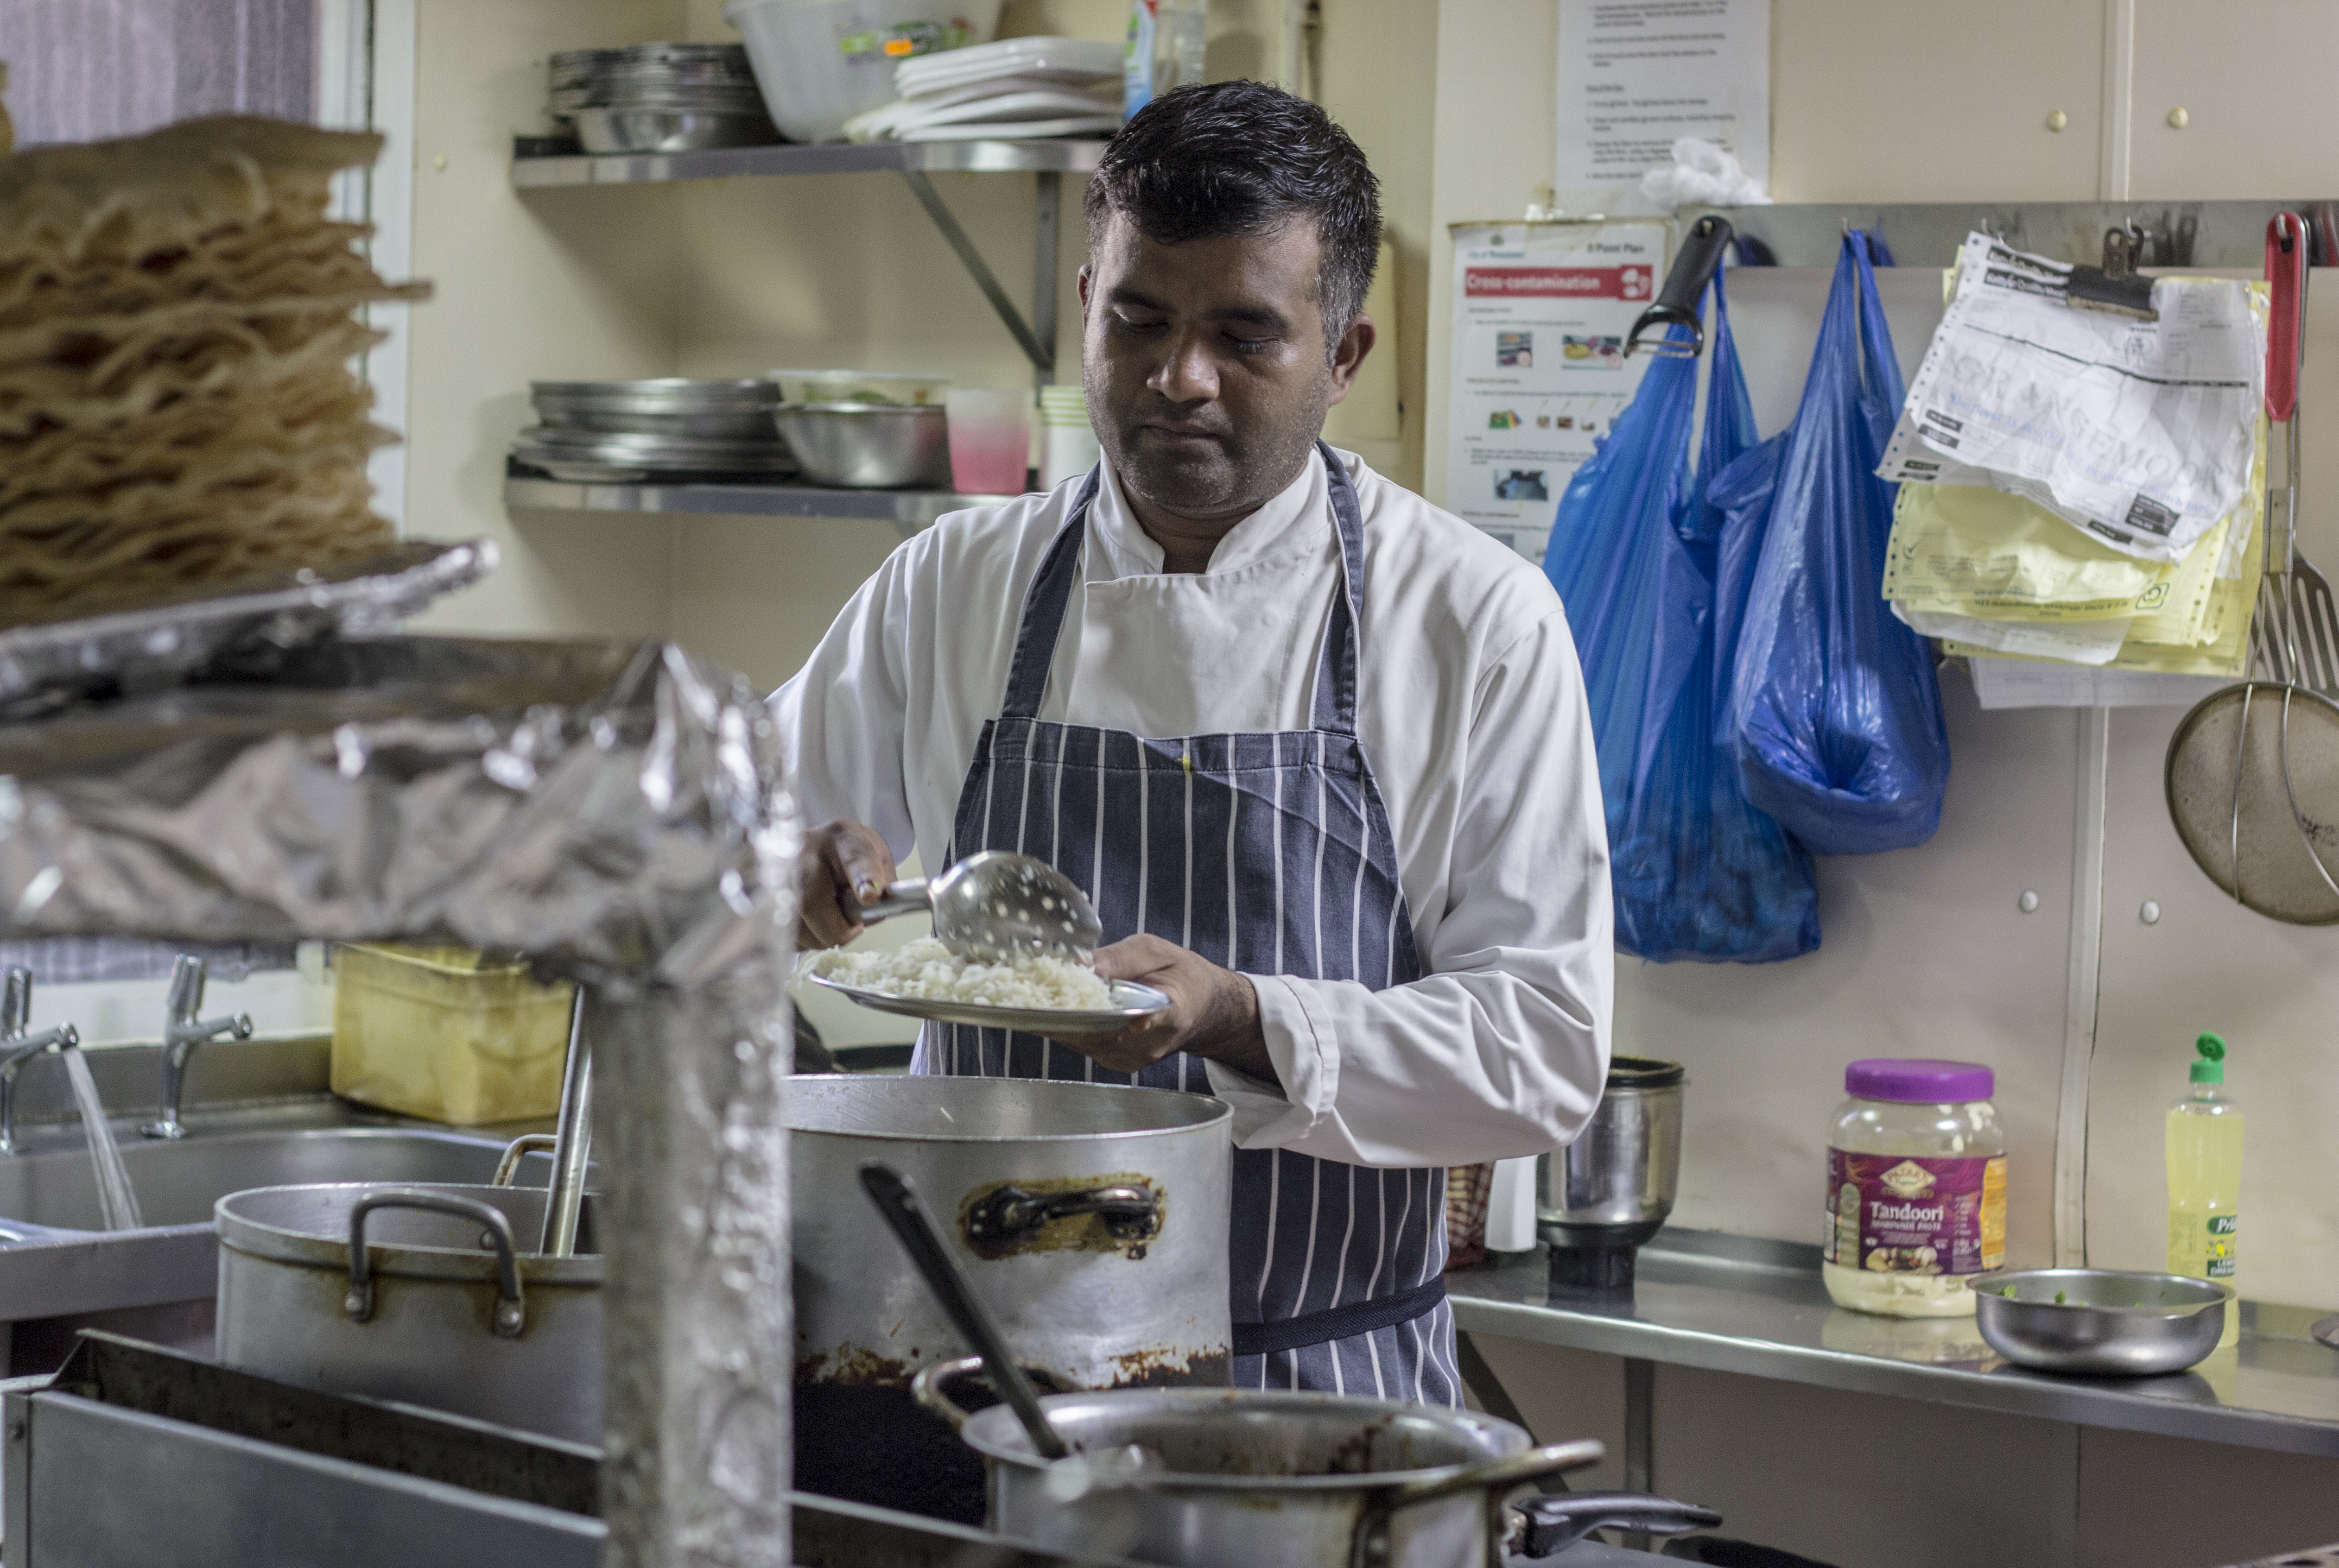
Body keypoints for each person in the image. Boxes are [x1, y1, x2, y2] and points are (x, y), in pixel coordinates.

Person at [775, 80, 1612, 1404]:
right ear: (1087, 308)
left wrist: (1240, 1020)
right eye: (1140, 321)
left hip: (1318, 1399)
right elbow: (720, 840)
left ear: (1345, 357)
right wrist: (783, 865)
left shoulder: (1472, 620)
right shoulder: (958, 582)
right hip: (965, 1387)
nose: (1179, 379)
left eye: (1244, 334)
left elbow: (1541, 1051)